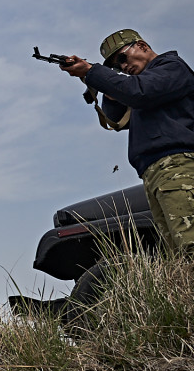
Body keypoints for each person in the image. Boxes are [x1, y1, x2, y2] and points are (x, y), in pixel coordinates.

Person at [60, 29, 194, 256]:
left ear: (141, 46)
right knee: (178, 254)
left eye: (122, 58)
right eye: (116, 66)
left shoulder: (171, 67)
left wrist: (94, 72)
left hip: (177, 165)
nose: (123, 67)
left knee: (189, 244)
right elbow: (117, 118)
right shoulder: (140, 84)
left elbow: (138, 92)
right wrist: (104, 84)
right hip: (155, 172)